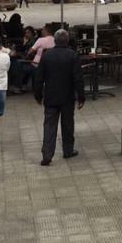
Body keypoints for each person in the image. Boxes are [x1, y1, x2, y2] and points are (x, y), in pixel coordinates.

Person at [33, 29, 85, 165]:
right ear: (67, 41)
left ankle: (47, 154)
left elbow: (38, 78)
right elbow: (78, 78)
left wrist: (38, 95)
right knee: (68, 124)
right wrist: (81, 97)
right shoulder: (73, 56)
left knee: (49, 125)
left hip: (51, 96)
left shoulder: (46, 56)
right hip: (67, 96)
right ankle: (68, 150)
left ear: (55, 41)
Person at [9, 26, 38, 92]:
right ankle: (18, 85)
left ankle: (16, 85)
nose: (26, 34)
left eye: (28, 33)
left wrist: (19, 54)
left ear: (32, 33)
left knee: (15, 64)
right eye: (25, 33)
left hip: (30, 62)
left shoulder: (33, 42)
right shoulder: (29, 41)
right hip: (27, 60)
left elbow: (29, 54)